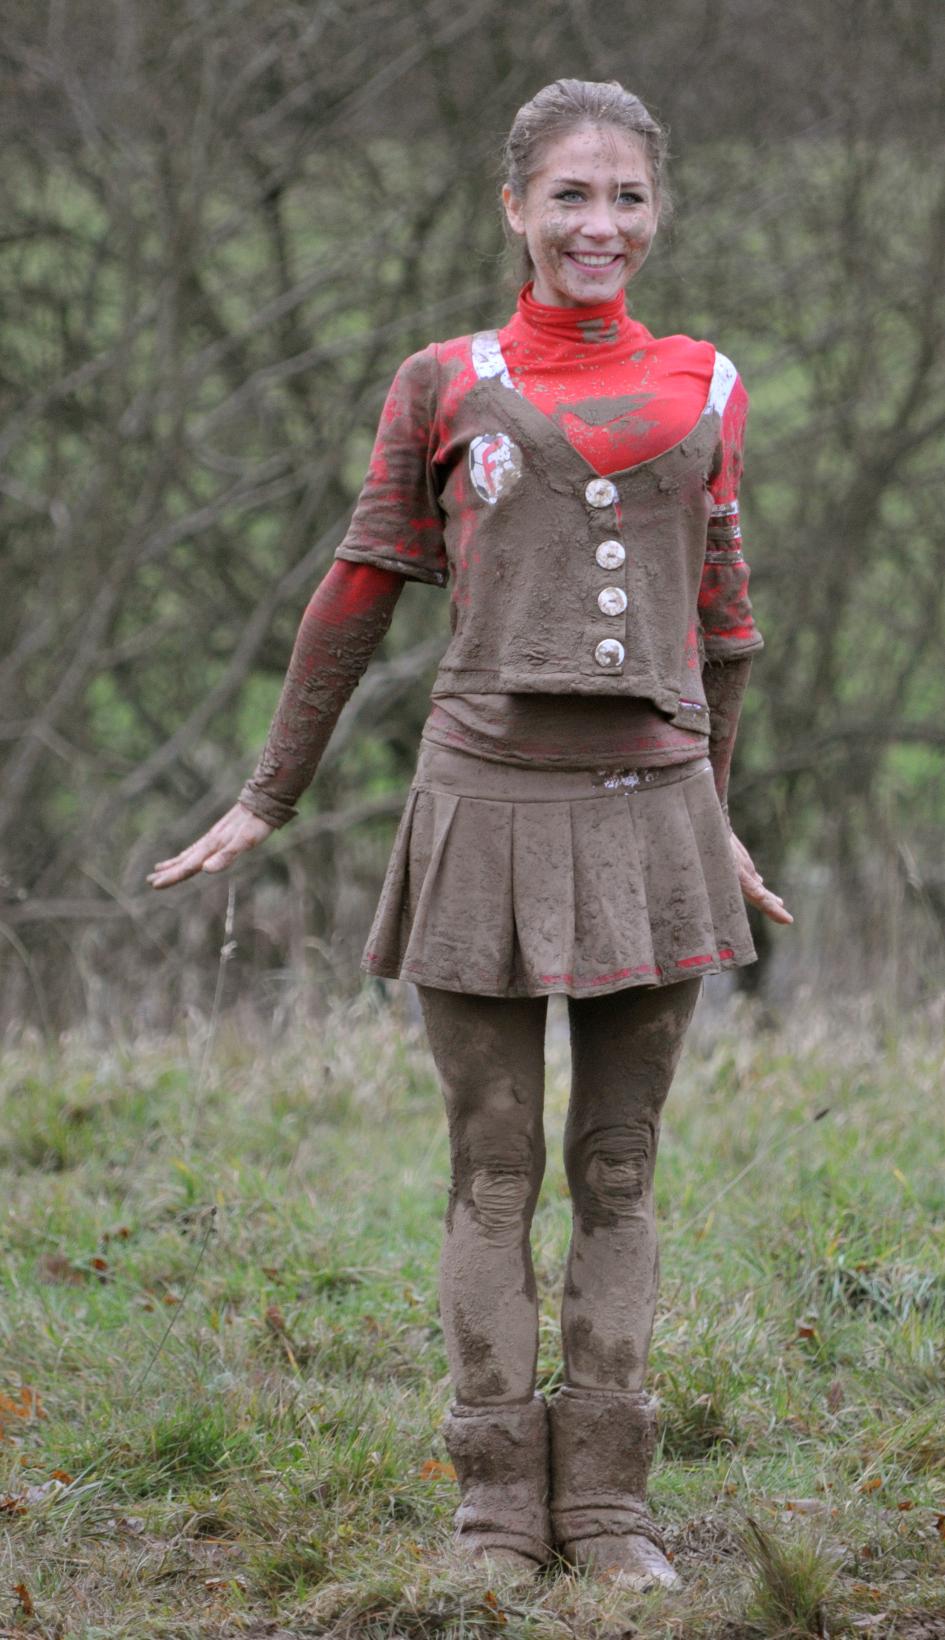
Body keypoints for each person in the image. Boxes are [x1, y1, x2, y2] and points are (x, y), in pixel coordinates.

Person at [150, 78, 792, 1592]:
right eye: (570, 195)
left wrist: (722, 809)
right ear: (513, 207)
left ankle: (612, 1512)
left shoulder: (710, 385)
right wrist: (267, 793)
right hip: (481, 802)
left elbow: (729, 624)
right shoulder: (441, 380)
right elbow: (360, 585)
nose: (600, 224)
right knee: (491, 1167)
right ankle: (496, 1511)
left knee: (618, 1172)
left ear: (659, 212)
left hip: (654, 809)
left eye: (627, 196)